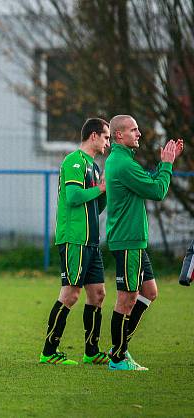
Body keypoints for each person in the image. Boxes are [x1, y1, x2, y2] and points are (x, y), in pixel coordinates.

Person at [105, 114, 184, 371]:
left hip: (134, 241)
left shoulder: (125, 161)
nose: (139, 134)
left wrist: (164, 165)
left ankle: (119, 346)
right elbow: (157, 191)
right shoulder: (122, 163)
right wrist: (167, 165)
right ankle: (117, 357)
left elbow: (147, 182)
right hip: (127, 241)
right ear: (119, 135)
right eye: (134, 130)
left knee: (149, 293)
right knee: (126, 297)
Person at [39, 118, 110, 366]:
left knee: (98, 294)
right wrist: (99, 190)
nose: (108, 143)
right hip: (74, 238)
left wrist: (106, 192)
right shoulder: (74, 161)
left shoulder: (95, 167)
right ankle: (48, 352)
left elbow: (96, 205)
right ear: (93, 136)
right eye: (106, 137)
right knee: (70, 294)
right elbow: (73, 197)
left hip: (91, 240)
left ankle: (91, 351)